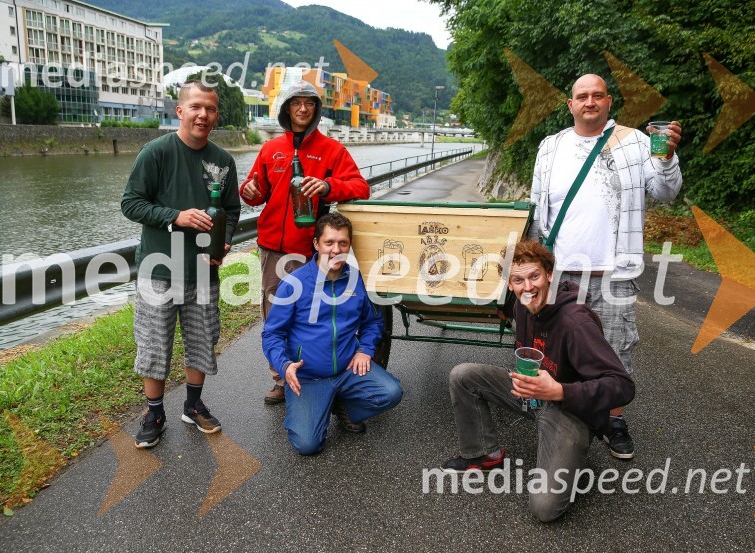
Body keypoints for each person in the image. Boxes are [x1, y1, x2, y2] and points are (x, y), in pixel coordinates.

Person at [528, 73, 683, 459]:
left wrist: (666, 158)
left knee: (615, 350)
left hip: (613, 272)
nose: (590, 102)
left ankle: (614, 421)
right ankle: (557, 410)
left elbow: (667, 191)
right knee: (556, 346)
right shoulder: (551, 146)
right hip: (560, 274)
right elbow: (536, 209)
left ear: (609, 101)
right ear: (571, 104)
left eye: (597, 95)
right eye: (582, 96)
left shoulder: (636, 142)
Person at [440, 239, 635, 522]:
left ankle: (569, 461)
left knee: (544, 508)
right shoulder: (522, 305)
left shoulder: (575, 322)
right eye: (518, 280)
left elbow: (623, 386)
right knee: (463, 375)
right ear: (509, 284)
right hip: (531, 392)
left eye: (535, 276)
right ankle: (484, 454)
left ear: (550, 275)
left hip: (570, 410)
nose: (528, 287)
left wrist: (559, 391)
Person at [121, 80, 240, 449]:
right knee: (155, 345)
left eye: (210, 108)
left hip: (204, 271)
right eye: (196, 107)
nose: (203, 115)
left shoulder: (223, 160)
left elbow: (233, 210)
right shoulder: (155, 153)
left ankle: (193, 404)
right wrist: (177, 217)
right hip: (159, 269)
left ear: (216, 115)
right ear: (181, 111)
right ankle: (154, 412)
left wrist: (225, 239)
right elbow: (131, 203)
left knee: (203, 341)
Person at [240, 80, 370, 406]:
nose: (302, 108)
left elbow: (360, 187)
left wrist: (327, 186)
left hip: (308, 248)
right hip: (272, 245)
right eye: (295, 102)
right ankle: (281, 377)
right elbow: (253, 190)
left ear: (316, 110)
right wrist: (249, 193)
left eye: (309, 103)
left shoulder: (332, 150)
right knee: (274, 312)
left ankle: (316, 374)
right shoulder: (271, 149)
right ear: (286, 108)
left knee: (311, 315)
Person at [261, 213, 403, 455]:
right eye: (329, 243)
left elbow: (373, 322)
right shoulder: (294, 284)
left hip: (348, 370)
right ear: (316, 244)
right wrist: (285, 366)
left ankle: (341, 403)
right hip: (309, 376)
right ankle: (317, 406)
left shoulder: (357, 280)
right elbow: (272, 335)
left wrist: (365, 350)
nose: (336, 250)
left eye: (343, 243)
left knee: (391, 393)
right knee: (308, 445)